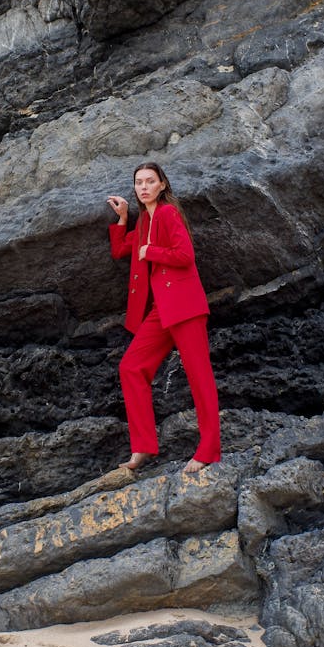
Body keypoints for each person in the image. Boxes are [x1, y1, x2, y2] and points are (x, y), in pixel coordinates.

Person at [107, 162, 221, 476]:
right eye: (138, 182)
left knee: (200, 378)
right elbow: (120, 250)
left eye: (150, 181)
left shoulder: (169, 214)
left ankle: (209, 450)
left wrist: (151, 251)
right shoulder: (143, 220)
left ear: (162, 185)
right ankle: (143, 445)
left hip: (185, 306)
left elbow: (185, 256)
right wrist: (122, 218)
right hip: (162, 311)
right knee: (131, 367)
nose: (144, 187)